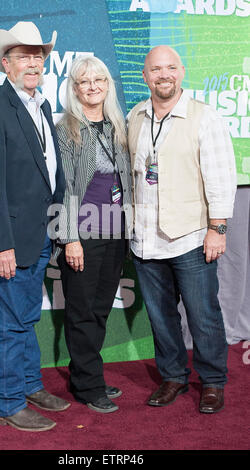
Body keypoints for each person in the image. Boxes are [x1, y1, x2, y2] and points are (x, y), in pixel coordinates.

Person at [0, 22, 70, 432]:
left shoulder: (40, 106)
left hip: (38, 235)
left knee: (26, 318)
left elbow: (47, 175)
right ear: (5, 65)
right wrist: (1, 246)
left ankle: (28, 384)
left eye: (38, 56)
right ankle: (7, 403)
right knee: (9, 324)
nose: (33, 63)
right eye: (24, 56)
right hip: (8, 242)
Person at [127, 45, 236, 414]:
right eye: (156, 69)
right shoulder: (135, 116)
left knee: (203, 314)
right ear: (145, 76)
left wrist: (217, 228)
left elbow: (221, 176)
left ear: (182, 72)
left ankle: (212, 381)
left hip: (190, 236)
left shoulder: (204, 118)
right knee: (160, 316)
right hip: (145, 240)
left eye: (170, 67)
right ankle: (173, 376)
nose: (163, 75)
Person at [55, 55, 132, 413]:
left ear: (107, 84)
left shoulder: (118, 124)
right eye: (84, 81)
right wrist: (69, 237)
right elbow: (64, 186)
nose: (92, 86)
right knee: (83, 310)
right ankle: (89, 386)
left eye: (98, 79)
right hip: (83, 231)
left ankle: (85, 373)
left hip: (117, 230)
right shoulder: (66, 128)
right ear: (74, 88)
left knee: (100, 307)